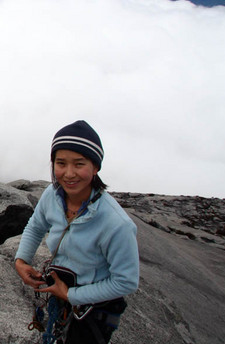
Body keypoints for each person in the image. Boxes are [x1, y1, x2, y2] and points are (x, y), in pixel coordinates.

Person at [15, 120, 139, 344]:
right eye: (60, 163)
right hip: (60, 288)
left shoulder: (116, 224)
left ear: (95, 167)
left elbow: (126, 282)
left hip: (95, 308)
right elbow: (36, 225)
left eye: (79, 164)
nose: (69, 174)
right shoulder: (52, 196)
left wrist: (72, 295)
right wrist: (21, 260)